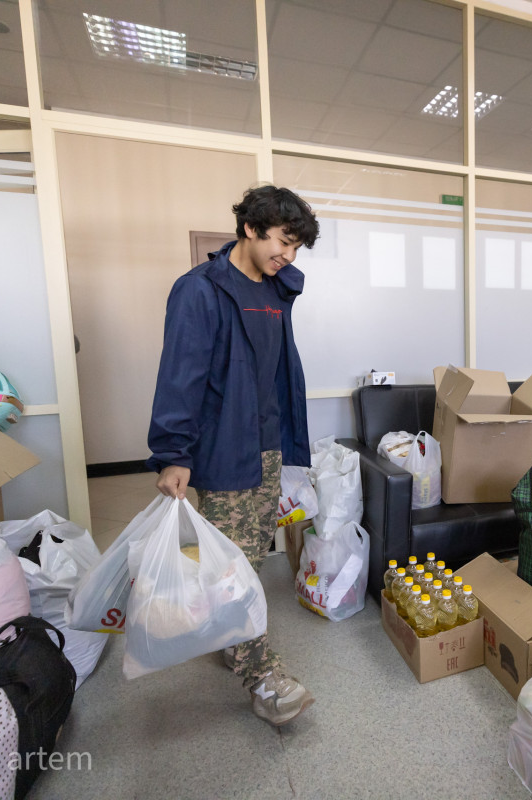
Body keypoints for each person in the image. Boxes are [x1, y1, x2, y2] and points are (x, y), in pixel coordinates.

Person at [146, 184, 319, 726]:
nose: (287, 256)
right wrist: (174, 453)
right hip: (224, 448)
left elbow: (277, 372)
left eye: (295, 248)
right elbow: (181, 374)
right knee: (234, 569)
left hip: (269, 443)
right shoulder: (199, 291)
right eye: (282, 241)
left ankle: (232, 641)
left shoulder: (275, 289)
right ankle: (260, 675)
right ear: (250, 227)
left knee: (248, 557)